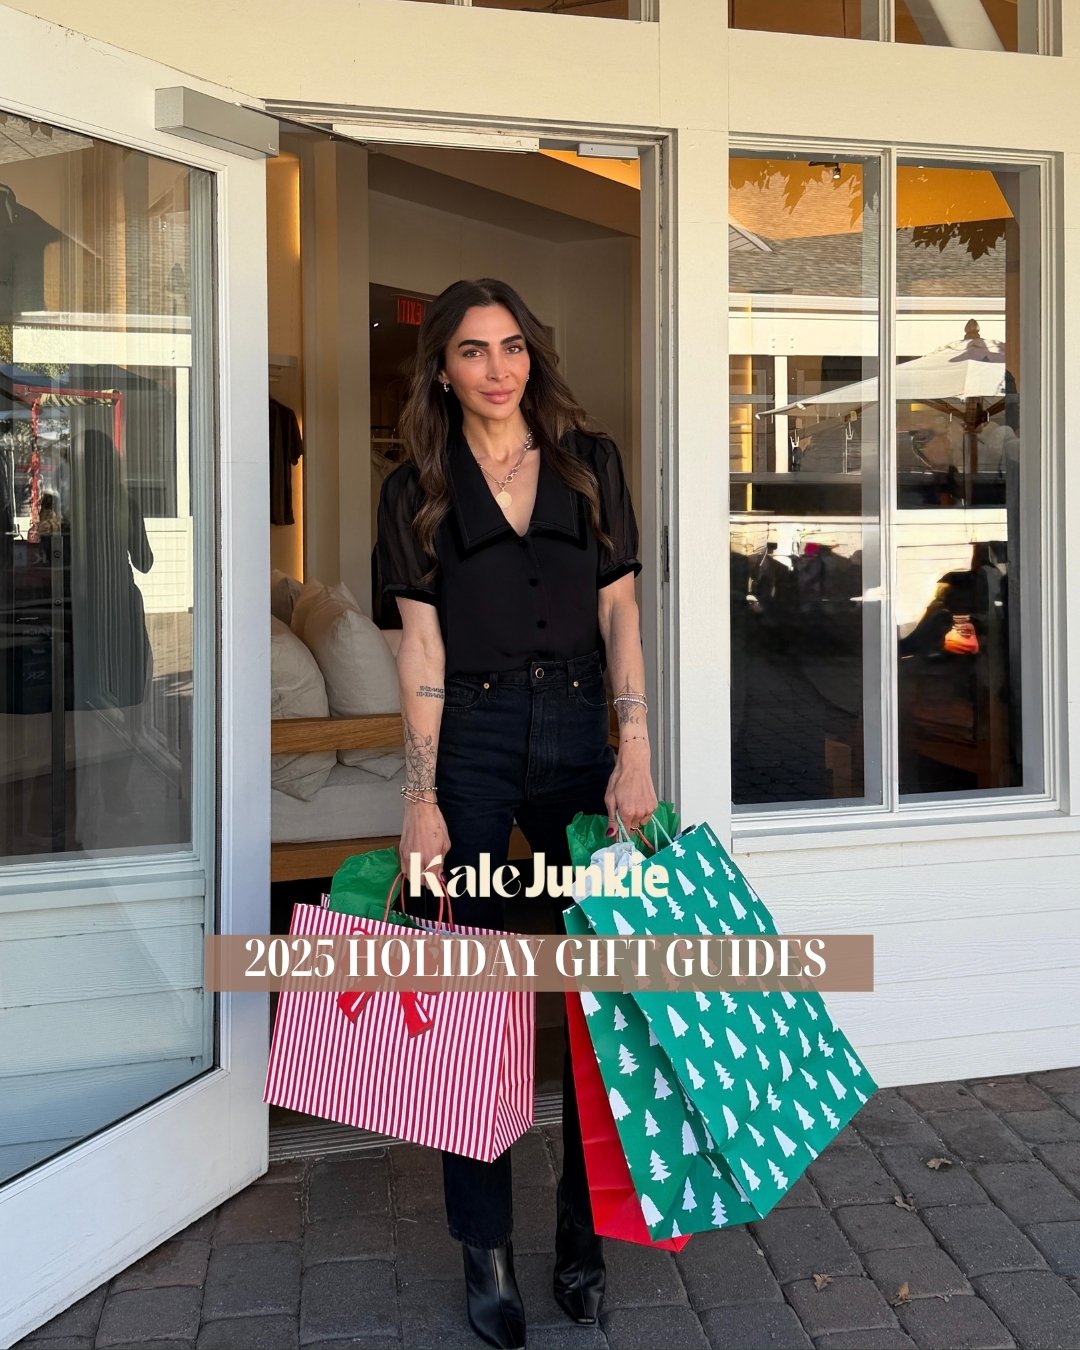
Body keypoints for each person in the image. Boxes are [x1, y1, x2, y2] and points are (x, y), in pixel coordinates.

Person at [375, 278, 657, 1349]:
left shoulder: (593, 464)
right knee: (474, 1013)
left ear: (532, 357)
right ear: (441, 370)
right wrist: (422, 799)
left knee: (604, 1004)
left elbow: (621, 614)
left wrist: (635, 751)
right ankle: (484, 1250)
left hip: (584, 737)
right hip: (480, 750)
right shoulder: (417, 491)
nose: (498, 370)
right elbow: (424, 657)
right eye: (473, 353)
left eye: (512, 349)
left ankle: (584, 1237)